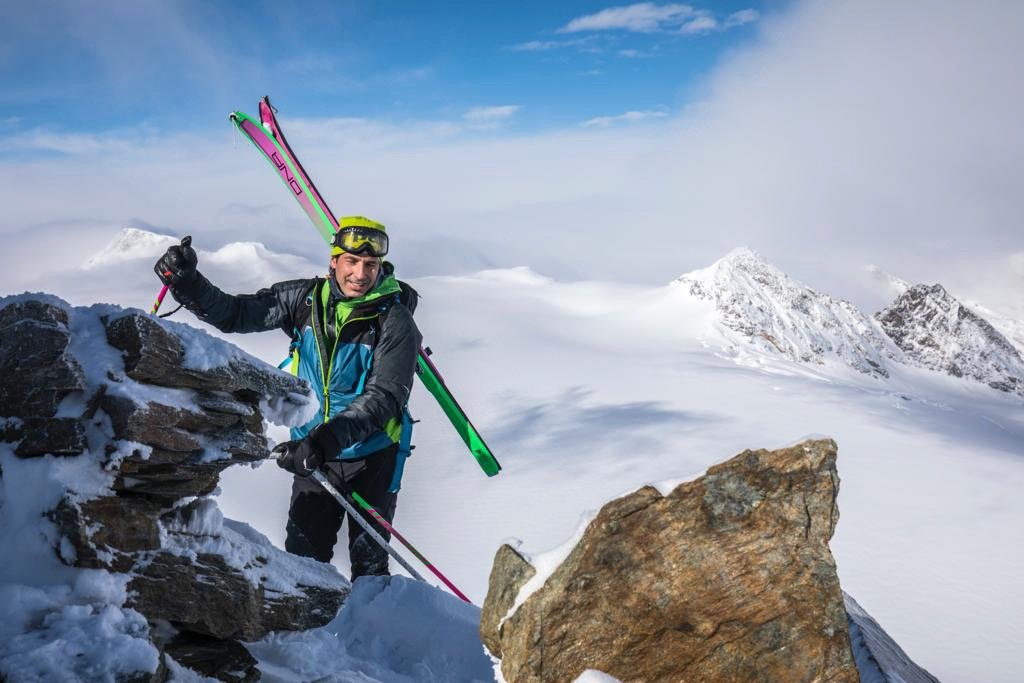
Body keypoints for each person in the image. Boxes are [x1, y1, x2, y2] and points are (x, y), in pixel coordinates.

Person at [154, 216, 421, 579]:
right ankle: (314, 635)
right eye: (352, 262)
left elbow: (384, 397)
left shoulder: (394, 320)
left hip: (370, 457)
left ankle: (369, 633)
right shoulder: (304, 299)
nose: (360, 273)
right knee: (303, 564)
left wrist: (322, 442)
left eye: (370, 264)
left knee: (370, 568)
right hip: (313, 456)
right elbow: (236, 313)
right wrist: (188, 285)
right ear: (334, 261)